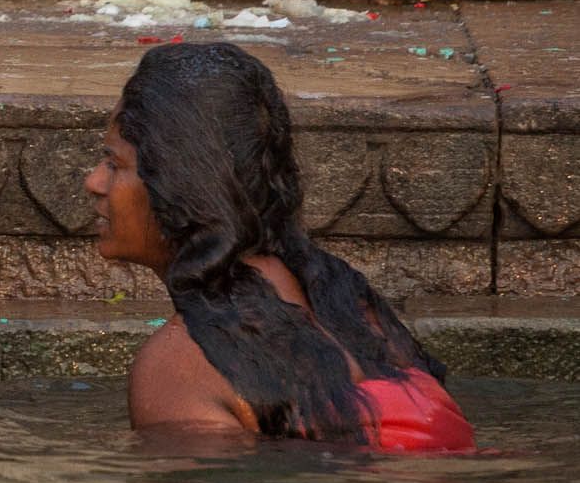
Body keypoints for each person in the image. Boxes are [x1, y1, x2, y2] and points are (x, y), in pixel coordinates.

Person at [86, 43, 475, 451]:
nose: (93, 182)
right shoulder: (340, 298)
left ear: (177, 187)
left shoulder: (179, 365)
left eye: (114, 164)